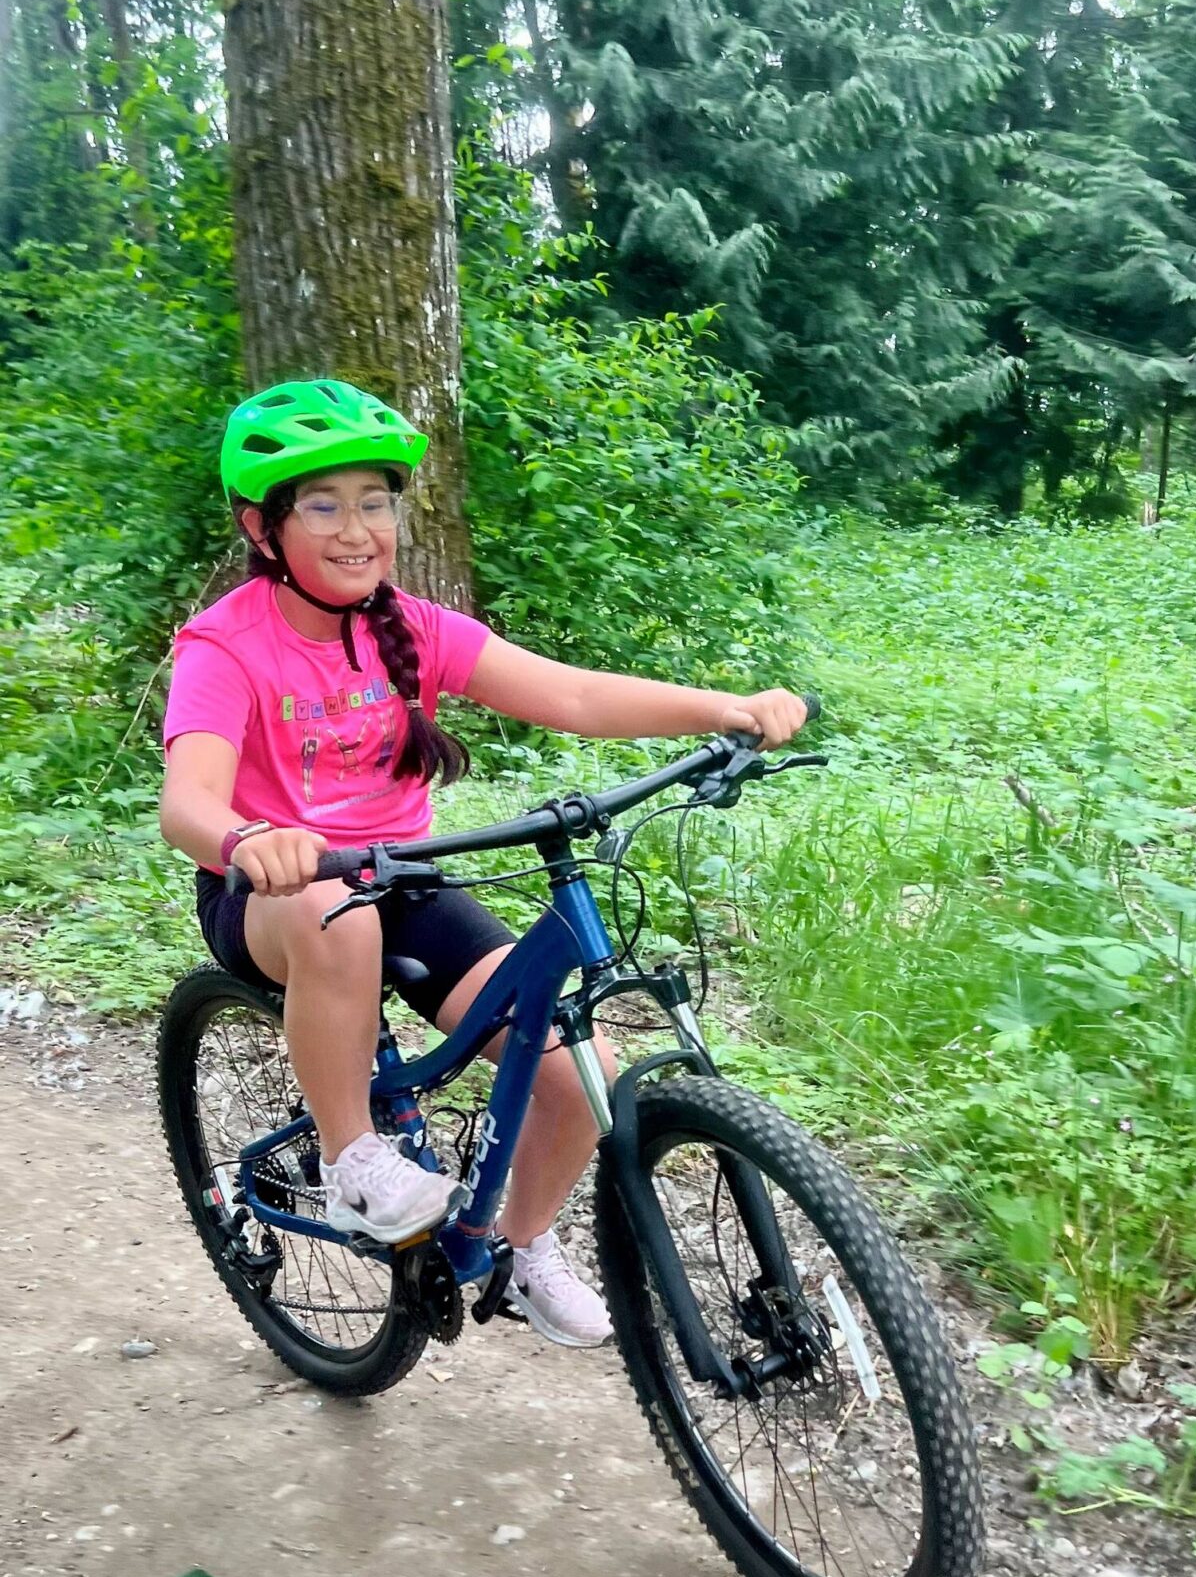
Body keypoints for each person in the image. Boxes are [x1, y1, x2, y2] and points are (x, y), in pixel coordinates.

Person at [159, 376, 807, 1346]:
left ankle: (520, 1247)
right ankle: (351, 1159)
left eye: (374, 502)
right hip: (272, 891)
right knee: (336, 905)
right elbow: (187, 800)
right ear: (264, 527)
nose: (355, 528)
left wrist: (723, 707)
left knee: (576, 1072)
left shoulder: (411, 628)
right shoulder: (225, 646)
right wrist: (249, 839)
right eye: (323, 505)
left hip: (403, 878)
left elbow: (575, 697)